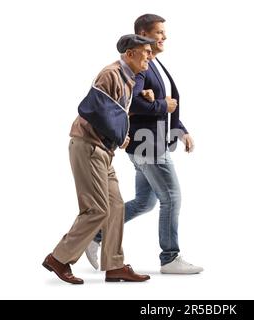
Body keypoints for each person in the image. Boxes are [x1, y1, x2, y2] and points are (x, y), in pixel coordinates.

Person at [85, 14, 203, 274]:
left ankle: (94, 235)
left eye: (163, 32)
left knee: (144, 203)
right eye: (159, 32)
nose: (164, 37)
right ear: (143, 34)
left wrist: (180, 130)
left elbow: (165, 104)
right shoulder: (142, 65)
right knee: (171, 198)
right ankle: (170, 258)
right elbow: (131, 101)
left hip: (149, 142)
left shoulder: (154, 64)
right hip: (147, 144)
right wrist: (161, 105)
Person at [42, 34, 155, 284]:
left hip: (104, 151)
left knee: (115, 207)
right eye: (145, 51)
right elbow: (96, 110)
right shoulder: (110, 73)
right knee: (96, 209)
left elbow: (120, 108)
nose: (150, 55)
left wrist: (145, 96)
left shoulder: (129, 78)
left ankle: (114, 265)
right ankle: (59, 259)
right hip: (89, 147)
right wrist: (119, 136)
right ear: (130, 54)